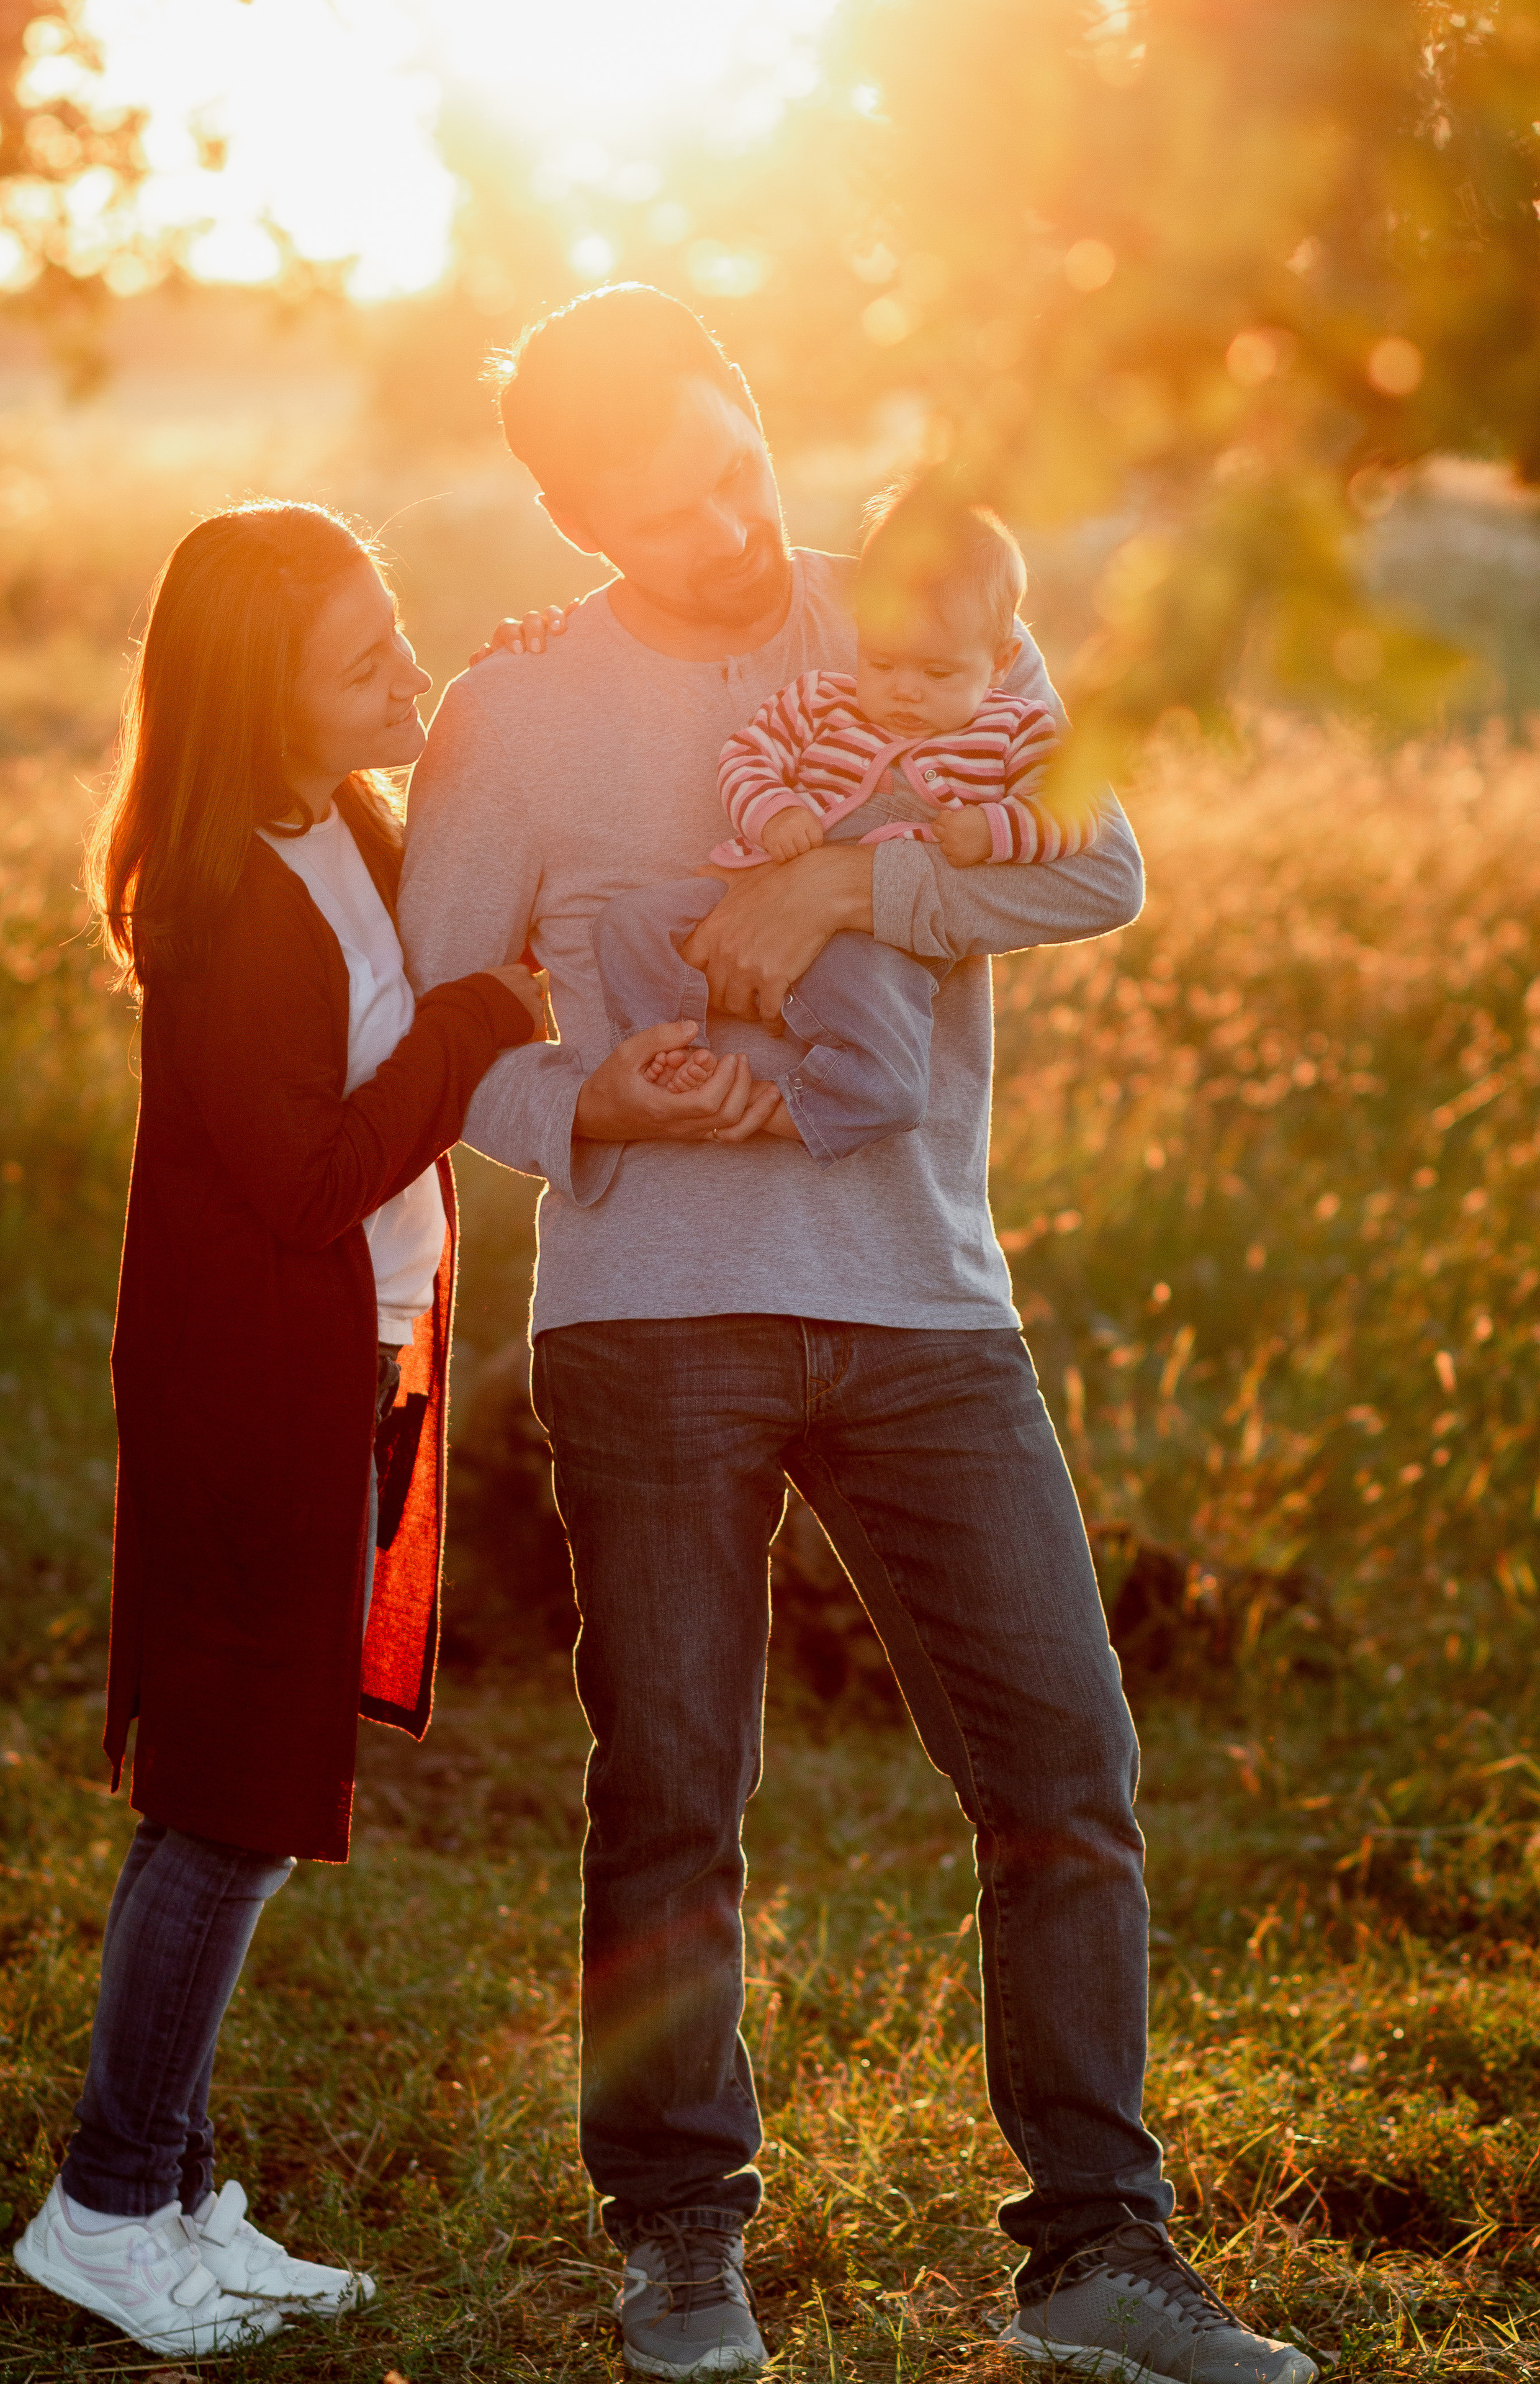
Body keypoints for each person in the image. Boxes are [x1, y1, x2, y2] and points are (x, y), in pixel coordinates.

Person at [400, 284, 1317, 2384]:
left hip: (922, 1305)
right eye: (661, 518)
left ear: (751, 407)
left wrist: (839, 892)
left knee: (1067, 1773)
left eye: (735, 472)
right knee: (674, 1797)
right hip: (653, 1318)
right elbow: (438, 1040)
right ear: (575, 524)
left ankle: (1099, 2259)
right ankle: (679, 2238)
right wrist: (585, 1106)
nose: (724, 535)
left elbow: (1100, 869)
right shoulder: (515, 711)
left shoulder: (921, 604)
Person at [11, 502, 544, 2362]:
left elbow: (456, 899)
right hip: (254, 1391)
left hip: (358, 1357)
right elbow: (315, 1169)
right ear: (264, 693)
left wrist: (516, 682)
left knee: (230, 1787)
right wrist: (475, 1018)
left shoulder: (346, 824)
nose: (397, 667)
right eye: (358, 655)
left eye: (395, 625)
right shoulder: (226, 895)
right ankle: (104, 2202)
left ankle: (170, 2188)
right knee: (226, 1812)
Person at [591, 485, 1100, 1165]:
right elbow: (748, 754)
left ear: (1000, 662)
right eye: (882, 663)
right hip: (749, 884)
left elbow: (1071, 820)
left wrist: (993, 829)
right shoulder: (819, 700)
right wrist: (775, 810)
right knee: (629, 924)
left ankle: (800, 1108)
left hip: (872, 943)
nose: (905, 690)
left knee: (888, 1069)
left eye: (937, 672)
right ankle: (669, 1048)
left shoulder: (1016, 727)